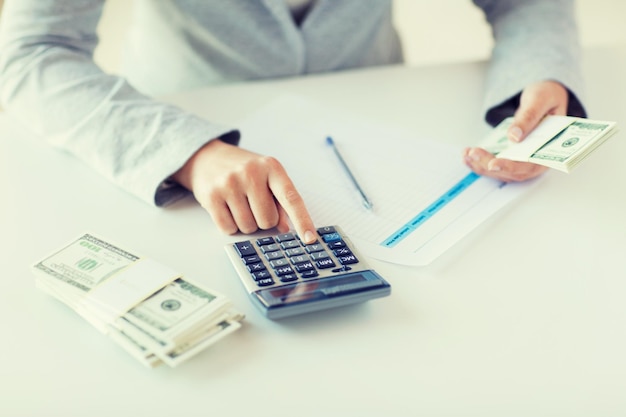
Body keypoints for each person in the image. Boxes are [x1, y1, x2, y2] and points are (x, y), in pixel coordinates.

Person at [0, 0, 586, 245]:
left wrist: (537, 78)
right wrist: (189, 153)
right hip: (173, 143)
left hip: (382, 117)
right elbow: (31, 52)